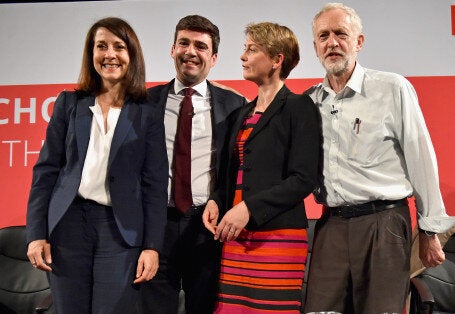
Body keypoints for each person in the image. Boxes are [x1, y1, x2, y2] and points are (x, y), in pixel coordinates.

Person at [303, 3, 455, 313]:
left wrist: (429, 231)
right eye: (324, 36)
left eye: (341, 34)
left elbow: (421, 161)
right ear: (315, 46)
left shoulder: (392, 88)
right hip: (331, 225)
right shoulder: (309, 102)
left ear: (359, 42)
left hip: (384, 223)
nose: (332, 43)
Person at [25, 17, 168, 313]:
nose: (110, 54)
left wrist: (152, 246)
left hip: (120, 232)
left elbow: (155, 185)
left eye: (119, 46)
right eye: (101, 46)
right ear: (91, 54)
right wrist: (36, 233)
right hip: (67, 227)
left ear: (132, 55)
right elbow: (46, 171)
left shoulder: (147, 113)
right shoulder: (68, 103)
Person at [202, 22, 320, 313]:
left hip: (278, 237)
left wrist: (249, 208)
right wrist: (217, 200)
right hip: (235, 235)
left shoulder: (299, 107)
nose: (243, 57)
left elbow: (304, 178)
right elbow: (230, 174)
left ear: (277, 59)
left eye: (252, 50)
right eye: (245, 49)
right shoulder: (240, 112)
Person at [137, 15, 246, 313]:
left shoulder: (234, 105)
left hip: (208, 228)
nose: (191, 51)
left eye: (200, 46)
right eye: (184, 43)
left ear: (213, 57)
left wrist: (218, 200)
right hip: (155, 227)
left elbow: (236, 170)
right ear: (172, 49)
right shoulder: (143, 103)